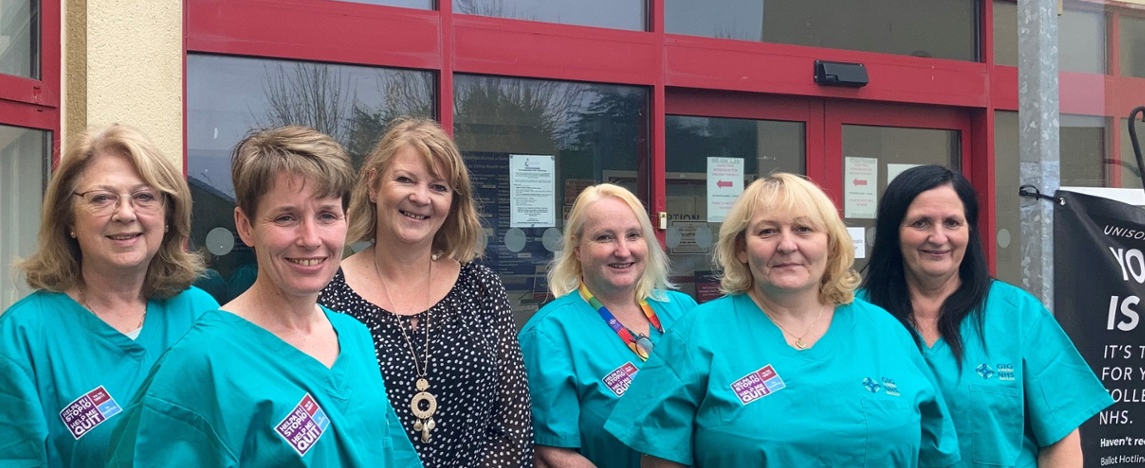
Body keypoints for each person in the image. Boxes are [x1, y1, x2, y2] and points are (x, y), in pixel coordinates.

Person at [106, 126, 422, 466]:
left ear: (346, 220)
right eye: (287, 217)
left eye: (327, 215)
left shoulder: (355, 337)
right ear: (245, 226)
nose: (311, 238)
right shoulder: (203, 362)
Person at [605, 172, 959, 467]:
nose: (787, 245)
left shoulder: (885, 332)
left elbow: (936, 451)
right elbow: (659, 458)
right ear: (741, 248)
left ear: (831, 245)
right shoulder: (698, 335)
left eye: (804, 229)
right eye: (767, 231)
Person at [0, 125, 217, 467]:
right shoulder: (24, 337)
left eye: (144, 196)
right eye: (101, 198)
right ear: (69, 219)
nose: (125, 213)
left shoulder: (200, 315)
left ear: (168, 215)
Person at [862, 165, 1112, 467]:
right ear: (893, 232)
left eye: (952, 222)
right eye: (921, 223)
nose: (938, 237)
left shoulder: (1017, 315)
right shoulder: (854, 320)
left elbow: (1061, 442)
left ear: (970, 231)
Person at [322, 117, 532, 468]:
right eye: (405, 179)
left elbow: (513, 430)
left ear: (453, 201)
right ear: (373, 185)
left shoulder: (481, 289)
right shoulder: (328, 295)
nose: (421, 198)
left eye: (438, 187)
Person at [519, 184, 697, 468]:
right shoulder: (549, 334)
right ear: (577, 249)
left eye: (633, 235)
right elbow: (550, 454)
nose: (623, 250)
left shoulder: (682, 309)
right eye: (604, 237)